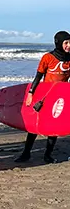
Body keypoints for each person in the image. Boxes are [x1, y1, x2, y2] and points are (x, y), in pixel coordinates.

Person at [15, 31, 70, 164]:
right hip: (45, 96)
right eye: (66, 42)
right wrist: (30, 93)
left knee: (54, 127)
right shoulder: (48, 57)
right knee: (35, 125)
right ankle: (26, 153)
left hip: (60, 97)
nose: (69, 45)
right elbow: (38, 77)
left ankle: (48, 155)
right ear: (58, 43)